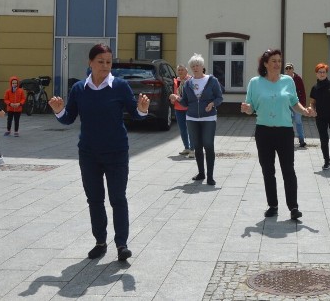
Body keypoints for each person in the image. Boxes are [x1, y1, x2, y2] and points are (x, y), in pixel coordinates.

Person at [48, 44, 150, 261]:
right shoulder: (79, 89)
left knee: (117, 198)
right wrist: (59, 111)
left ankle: (121, 244)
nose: (105, 66)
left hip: (116, 152)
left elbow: (136, 114)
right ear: (90, 63)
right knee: (94, 199)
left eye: (109, 62)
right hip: (89, 154)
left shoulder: (120, 86)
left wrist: (142, 108)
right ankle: (100, 242)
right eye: (101, 61)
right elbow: (68, 118)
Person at [241, 49, 314, 220]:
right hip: (264, 131)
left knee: (288, 169)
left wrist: (305, 111)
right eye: (273, 61)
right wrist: (246, 109)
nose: (277, 64)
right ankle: (273, 205)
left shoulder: (288, 81)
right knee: (268, 170)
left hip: (285, 131)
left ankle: (293, 207)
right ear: (265, 64)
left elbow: (294, 103)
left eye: (279, 61)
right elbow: (251, 107)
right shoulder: (255, 82)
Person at [170, 54, 224, 185]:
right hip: (192, 118)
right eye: (193, 66)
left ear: (202, 66)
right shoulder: (188, 83)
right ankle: (201, 173)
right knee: (198, 146)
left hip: (209, 117)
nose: (195, 68)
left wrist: (213, 104)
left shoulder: (212, 80)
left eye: (197, 65)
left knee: (208, 144)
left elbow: (219, 97)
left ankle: (210, 176)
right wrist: (176, 98)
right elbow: (185, 102)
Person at [171, 64, 193, 158]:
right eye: (179, 70)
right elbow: (174, 93)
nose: (180, 71)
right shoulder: (176, 81)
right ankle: (186, 147)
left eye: (182, 70)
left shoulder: (191, 80)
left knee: (191, 129)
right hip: (178, 107)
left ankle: (193, 149)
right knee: (182, 129)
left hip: (189, 108)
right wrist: (172, 98)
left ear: (186, 71)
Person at [284, 62, 308, 148]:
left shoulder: (298, 79)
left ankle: (301, 140)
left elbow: (303, 92)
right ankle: (288, 140)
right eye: (287, 68)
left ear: (293, 69)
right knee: (288, 122)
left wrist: (303, 104)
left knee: (298, 121)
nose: (288, 70)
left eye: (290, 68)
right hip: (286, 104)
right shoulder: (283, 79)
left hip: (296, 103)